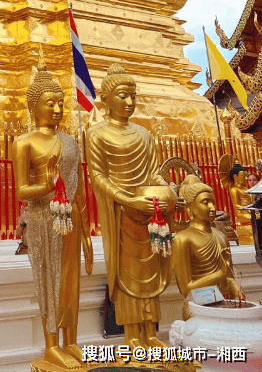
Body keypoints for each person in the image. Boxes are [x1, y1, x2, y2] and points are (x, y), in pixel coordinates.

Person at [86, 63, 179, 350]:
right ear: (106, 101)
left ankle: (151, 333)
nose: (130, 102)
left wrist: (166, 189)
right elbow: (98, 178)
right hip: (120, 214)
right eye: (123, 96)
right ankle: (131, 337)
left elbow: (153, 173)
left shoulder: (144, 135)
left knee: (151, 273)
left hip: (149, 214)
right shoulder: (97, 134)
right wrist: (128, 199)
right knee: (127, 278)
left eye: (134, 96)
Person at [12, 55, 92, 370]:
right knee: (49, 280)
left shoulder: (71, 142)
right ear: (33, 106)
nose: (57, 109)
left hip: (70, 218)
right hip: (43, 219)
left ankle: (70, 340)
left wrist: (86, 232)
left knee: (70, 281)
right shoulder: (24, 144)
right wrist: (46, 184)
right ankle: (51, 344)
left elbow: (79, 188)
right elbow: (21, 191)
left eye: (60, 103)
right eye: (50, 103)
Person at [172, 174, 243, 320]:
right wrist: (219, 274)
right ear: (190, 207)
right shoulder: (183, 239)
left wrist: (237, 290)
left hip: (226, 301)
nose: (212, 208)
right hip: (198, 306)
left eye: (213, 202)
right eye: (205, 202)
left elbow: (229, 278)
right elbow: (186, 289)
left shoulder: (221, 236)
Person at [227, 163, 253, 244]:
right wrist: (247, 209)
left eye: (246, 176)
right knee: (252, 217)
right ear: (235, 177)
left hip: (250, 211)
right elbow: (236, 205)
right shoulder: (234, 189)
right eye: (243, 176)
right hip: (242, 213)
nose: (246, 178)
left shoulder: (247, 189)